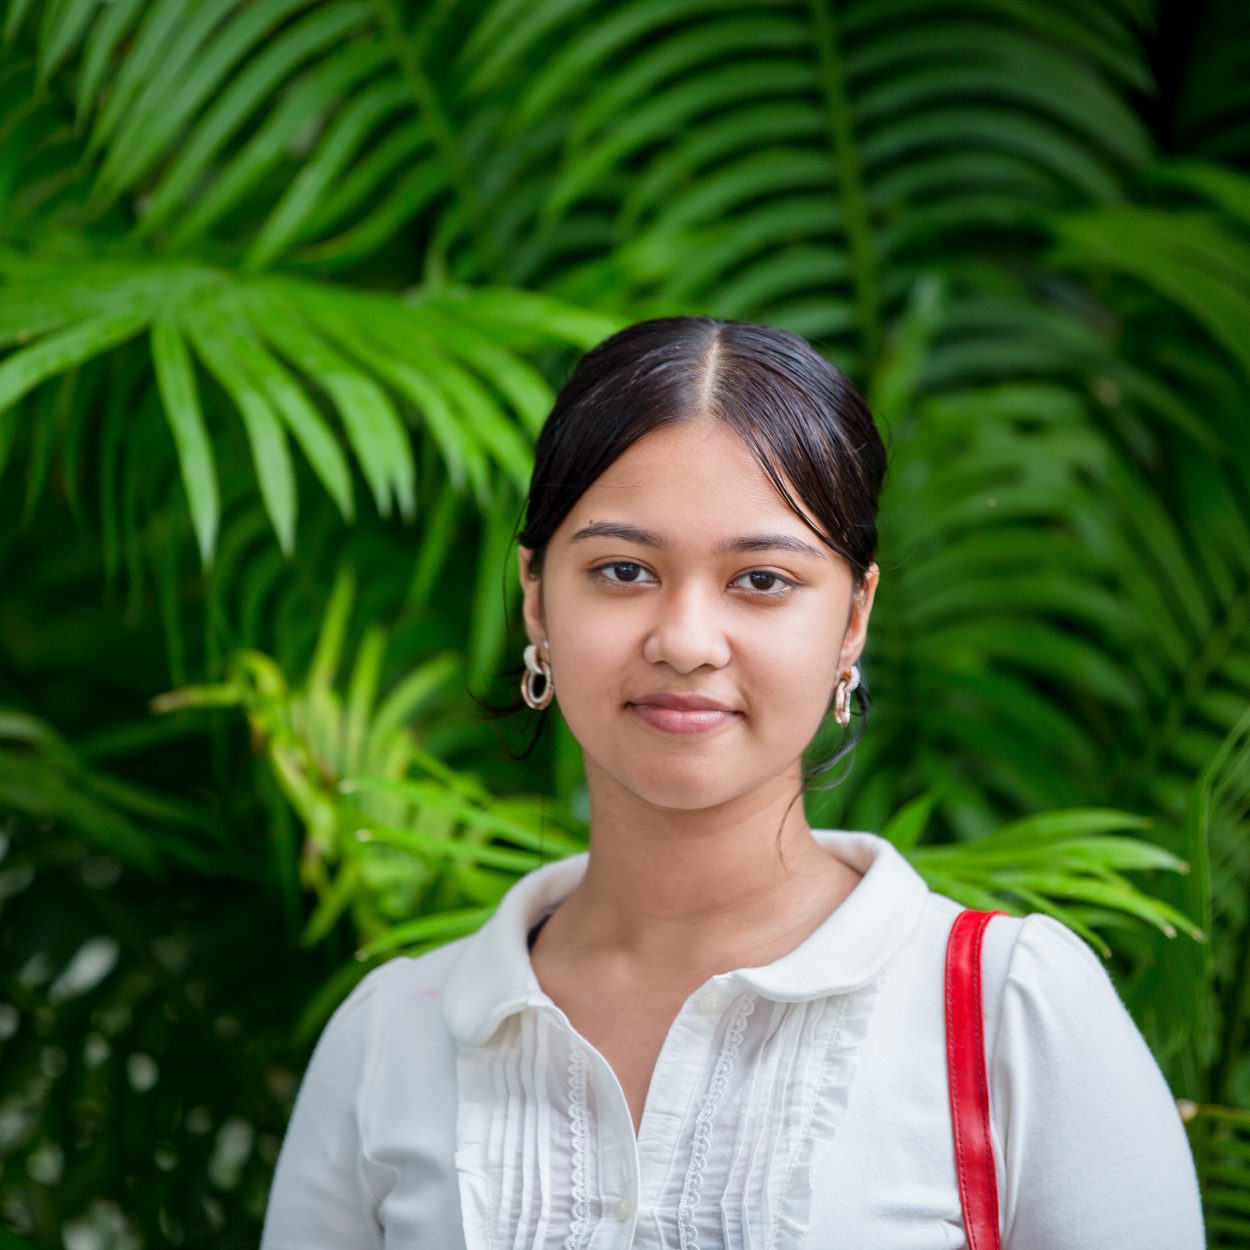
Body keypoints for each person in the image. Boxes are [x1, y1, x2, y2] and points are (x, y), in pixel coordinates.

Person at [260, 316, 1205, 1248]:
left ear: (854, 620)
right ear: (537, 598)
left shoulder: (1009, 1014)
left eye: (761, 580)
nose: (685, 641)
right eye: (623, 570)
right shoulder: (392, 1040)